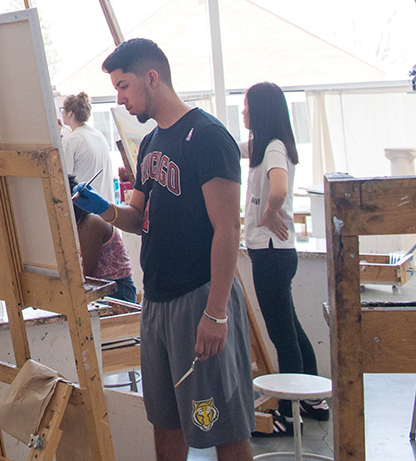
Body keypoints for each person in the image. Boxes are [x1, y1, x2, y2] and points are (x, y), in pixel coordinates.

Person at [73, 38, 253, 460]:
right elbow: (139, 217)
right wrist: (103, 210)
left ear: (152, 78)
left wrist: (216, 311)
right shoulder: (151, 144)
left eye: (124, 86)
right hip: (156, 300)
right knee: (165, 420)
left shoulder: (208, 137)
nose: (120, 98)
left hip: (199, 298)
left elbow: (227, 229)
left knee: (224, 424)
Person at [240, 82, 326, 434]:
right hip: (279, 254)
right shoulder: (269, 145)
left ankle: (290, 415)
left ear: (260, 111)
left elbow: (279, 188)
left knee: (282, 336)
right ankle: (312, 398)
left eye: (245, 107)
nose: (242, 112)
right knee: (291, 327)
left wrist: (270, 211)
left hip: (271, 255)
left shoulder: (274, 149)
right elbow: (232, 148)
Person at [61, 92, 136, 304]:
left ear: (70, 113)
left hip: (116, 292)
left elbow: (84, 278)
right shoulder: (96, 135)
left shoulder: (73, 140)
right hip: (98, 206)